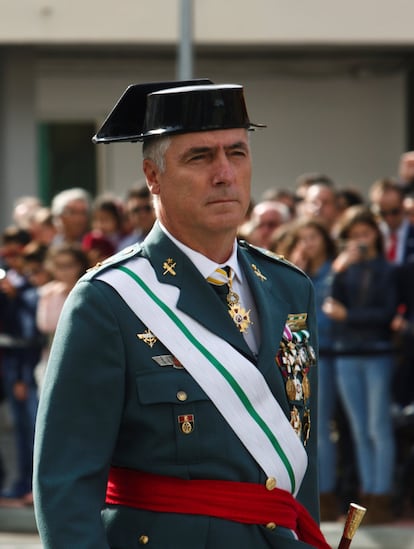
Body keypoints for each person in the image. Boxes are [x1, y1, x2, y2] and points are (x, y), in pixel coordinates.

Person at [34, 80, 329, 548]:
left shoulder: (289, 288)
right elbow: (65, 484)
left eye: (236, 152)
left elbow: (298, 459)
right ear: (153, 176)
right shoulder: (109, 300)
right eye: (200, 157)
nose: (224, 173)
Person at [322, 205, 397, 524]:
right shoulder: (344, 269)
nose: (359, 242)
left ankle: (382, 493)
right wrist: (338, 270)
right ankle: (368, 495)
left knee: (377, 427)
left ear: (376, 237)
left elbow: (386, 313)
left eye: (364, 235)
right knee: (358, 428)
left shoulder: (388, 270)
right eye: (353, 237)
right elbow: (327, 305)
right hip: (345, 354)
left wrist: (350, 317)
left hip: (377, 353)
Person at [369, 177, 414, 265]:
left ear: (403, 206)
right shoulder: (372, 237)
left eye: (394, 211)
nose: (389, 218)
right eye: (382, 213)